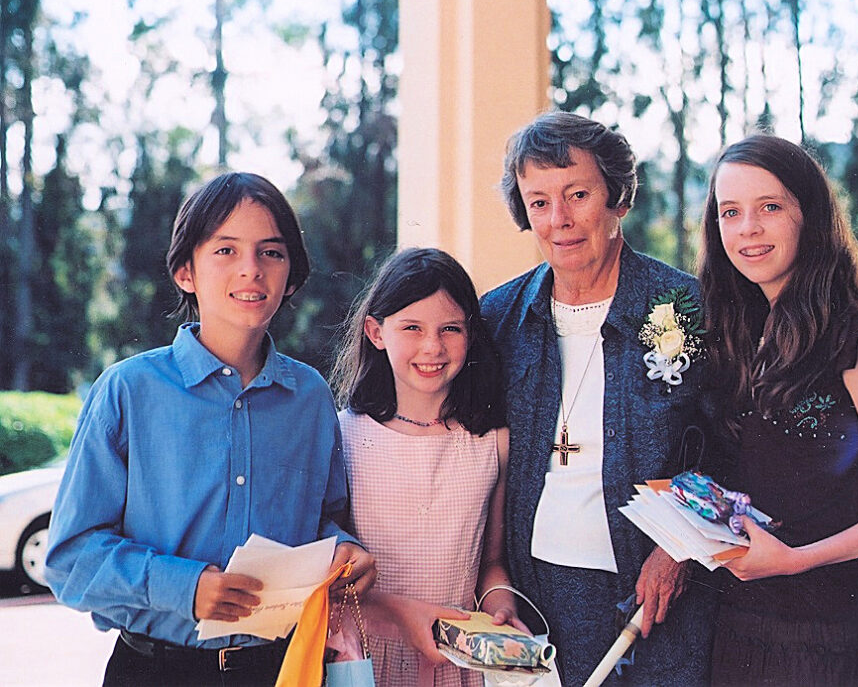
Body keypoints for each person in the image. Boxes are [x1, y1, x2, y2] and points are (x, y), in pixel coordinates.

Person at [45, 172, 376, 687]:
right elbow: (69, 560)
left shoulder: (310, 398)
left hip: (282, 669)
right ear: (185, 272)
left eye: (271, 252)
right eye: (226, 250)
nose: (251, 270)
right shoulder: (129, 391)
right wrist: (185, 586)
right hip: (156, 671)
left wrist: (341, 552)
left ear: (291, 277)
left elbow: (320, 522)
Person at [480, 111, 717, 686]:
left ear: (616, 197)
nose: (559, 220)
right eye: (538, 202)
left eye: (577, 194)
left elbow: (730, 443)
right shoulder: (498, 317)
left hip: (654, 590)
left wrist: (680, 543)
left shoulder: (685, 307)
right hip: (536, 594)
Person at [697, 134, 858, 686]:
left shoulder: (853, 330)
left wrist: (796, 559)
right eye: (730, 212)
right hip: (740, 629)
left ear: (808, 215)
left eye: (770, 208)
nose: (747, 229)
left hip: (831, 635)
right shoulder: (734, 330)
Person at [329, 247, 525, 687]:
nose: (432, 347)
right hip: (363, 660)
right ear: (376, 332)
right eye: (412, 328)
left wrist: (500, 607)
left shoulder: (491, 442)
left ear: (470, 336)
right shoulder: (343, 438)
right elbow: (333, 583)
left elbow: (490, 563)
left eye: (450, 329)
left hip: (457, 664)